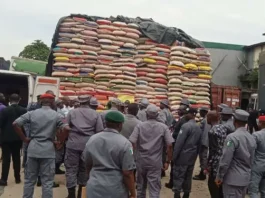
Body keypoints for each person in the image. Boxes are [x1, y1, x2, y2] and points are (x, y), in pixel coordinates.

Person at [13, 93, 70, 198]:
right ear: (52, 102)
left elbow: (15, 124)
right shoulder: (57, 115)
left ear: (40, 102)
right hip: (48, 150)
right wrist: (60, 142)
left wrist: (24, 139)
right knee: (47, 182)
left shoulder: (32, 113)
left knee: (29, 180)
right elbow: (66, 128)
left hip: (33, 148)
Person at [84, 111, 136, 198]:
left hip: (94, 187)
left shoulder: (92, 140)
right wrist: (133, 193)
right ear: (120, 125)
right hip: (115, 189)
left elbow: (87, 163)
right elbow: (128, 172)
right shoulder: (126, 144)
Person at [129, 104, 174, 198]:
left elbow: (132, 142)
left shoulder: (139, 126)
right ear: (157, 115)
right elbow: (169, 145)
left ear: (146, 114)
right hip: (155, 162)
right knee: (154, 189)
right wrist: (167, 161)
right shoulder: (163, 127)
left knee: (141, 188)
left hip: (141, 161)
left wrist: (132, 155)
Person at [66, 95, 104, 198]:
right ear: (89, 102)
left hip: (72, 144)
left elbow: (65, 127)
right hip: (88, 145)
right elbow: (99, 131)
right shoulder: (95, 114)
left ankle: (71, 194)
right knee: (85, 169)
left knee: (71, 169)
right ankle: (81, 194)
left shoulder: (72, 112)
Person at [215, 109, 256, 198]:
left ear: (234, 121)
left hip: (232, 180)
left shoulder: (231, 138)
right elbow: (252, 160)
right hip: (245, 179)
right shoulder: (251, 137)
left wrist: (219, 176)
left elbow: (225, 160)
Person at [172, 108, 203, 198]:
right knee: (188, 177)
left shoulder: (185, 126)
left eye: (187, 113)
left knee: (179, 176)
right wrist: (195, 156)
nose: (185, 115)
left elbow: (179, 143)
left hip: (182, 157)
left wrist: (174, 156)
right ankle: (186, 194)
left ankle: (177, 194)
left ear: (191, 114)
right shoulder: (198, 127)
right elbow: (199, 144)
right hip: (191, 157)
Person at [0, 94, 26, 186]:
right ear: (19, 100)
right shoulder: (23, 110)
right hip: (18, 138)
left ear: (9, 100)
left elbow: (1, 124)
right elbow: (25, 126)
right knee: (17, 158)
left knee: (6, 159)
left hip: (6, 138)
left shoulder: (5, 110)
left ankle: (3, 180)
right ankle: (17, 178)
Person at [166, 99, 190, 189]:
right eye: (178, 110)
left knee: (175, 165)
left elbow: (178, 134)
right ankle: (172, 182)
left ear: (185, 110)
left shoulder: (184, 121)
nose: (178, 111)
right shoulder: (181, 119)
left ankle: (173, 183)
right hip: (177, 144)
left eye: (180, 110)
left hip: (177, 145)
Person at [205, 111, 227, 198]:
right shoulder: (223, 128)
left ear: (210, 119)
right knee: (220, 188)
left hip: (215, 164)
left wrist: (208, 166)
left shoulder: (212, 131)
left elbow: (212, 151)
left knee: (213, 187)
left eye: (207, 117)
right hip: (223, 161)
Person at [248, 115, 265, 198]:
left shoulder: (256, 135)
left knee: (253, 191)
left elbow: (250, 150)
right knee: (264, 191)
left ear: (261, 123)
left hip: (257, 165)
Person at [193, 106, 210, 181]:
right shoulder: (205, 119)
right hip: (203, 142)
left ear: (204, 112)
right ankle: (202, 172)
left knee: (203, 158)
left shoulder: (206, 120)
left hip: (204, 143)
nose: (199, 113)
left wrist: (203, 143)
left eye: (201, 112)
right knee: (202, 158)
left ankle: (203, 174)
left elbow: (205, 132)